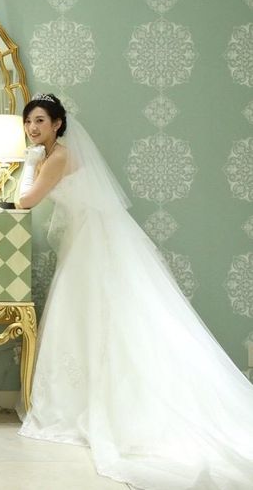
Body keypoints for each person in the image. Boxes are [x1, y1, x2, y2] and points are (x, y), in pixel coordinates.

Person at [16, 94, 253, 489]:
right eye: (28, 122)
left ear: (57, 123)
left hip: (92, 244)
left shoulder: (57, 157)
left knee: (98, 318)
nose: (32, 128)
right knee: (88, 320)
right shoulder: (54, 154)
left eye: (40, 120)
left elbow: (25, 201)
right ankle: (85, 398)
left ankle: (110, 406)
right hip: (86, 239)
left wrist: (27, 163)